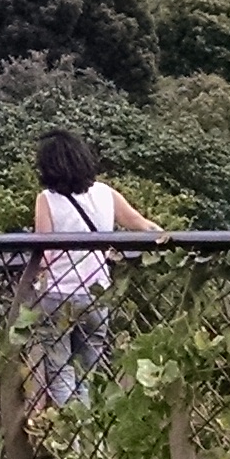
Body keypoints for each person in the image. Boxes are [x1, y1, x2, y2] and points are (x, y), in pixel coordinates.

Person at [29, 130, 158, 406]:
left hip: (57, 293)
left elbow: (45, 254)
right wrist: (174, 242)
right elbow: (141, 225)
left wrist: (31, 278)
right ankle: (87, 430)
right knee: (86, 376)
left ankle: (67, 431)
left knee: (60, 373)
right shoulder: (105, 194)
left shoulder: (47, 199)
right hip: (96, 293)